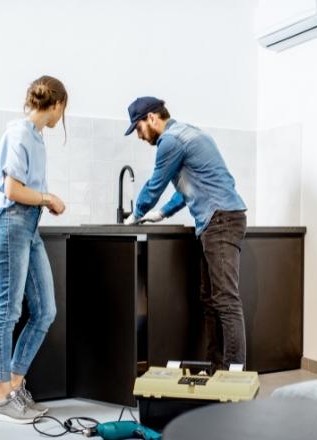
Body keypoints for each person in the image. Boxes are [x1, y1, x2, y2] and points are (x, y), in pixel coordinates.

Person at [125, 96, 248, 371]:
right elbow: (191, 187)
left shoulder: (171, 141)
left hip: (221, 220)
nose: (139, 135)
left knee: (226, 300)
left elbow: (156, 183)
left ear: (152, 118)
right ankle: (218, 370)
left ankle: (235, 377)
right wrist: (164, 213)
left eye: (139, 128)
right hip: (217, 219)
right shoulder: (189, 133)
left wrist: (135, 215)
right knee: (211, 300)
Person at [0, 75, 67, 423]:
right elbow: (13, 190)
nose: (62, 116)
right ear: (57, 104)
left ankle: (15, 385)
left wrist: (44, 201)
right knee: (8, 312)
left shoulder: (37, 138)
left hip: (28, 226)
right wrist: (50, 198)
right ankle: (2, 398)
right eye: (64, 108)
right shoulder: (19, 133)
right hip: (10, 223)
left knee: (45, 310)